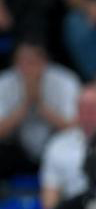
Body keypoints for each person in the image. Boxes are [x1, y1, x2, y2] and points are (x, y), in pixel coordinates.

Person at [0, 38, 80, 178]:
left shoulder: (65, 81)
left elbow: (75, 128)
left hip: (55, 144)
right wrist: (25, 105)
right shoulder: (4, 82)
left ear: (45, 62)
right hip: (16, 148)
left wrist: (40, 106)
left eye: (31, 62)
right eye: (21, 62)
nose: (26, 68)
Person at [39, 83, 96, 209]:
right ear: (76, 112)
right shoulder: (58, 145)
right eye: (83, 109)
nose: (88, 114)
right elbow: (49, 198)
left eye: (94, 108)